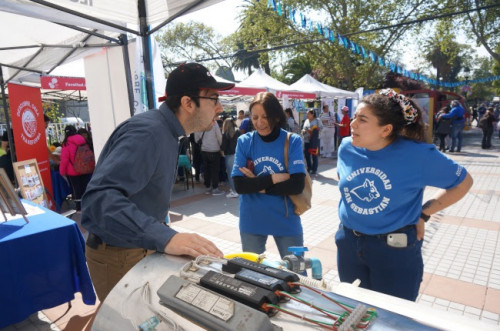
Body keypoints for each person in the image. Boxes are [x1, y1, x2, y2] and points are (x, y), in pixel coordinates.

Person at [81, 63, 232, 301]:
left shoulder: (167, 132)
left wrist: (163, 235)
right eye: (214, 99)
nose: (220, 107)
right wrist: (167, 238)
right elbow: (99, 200)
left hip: (138, 244)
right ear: (188, 103)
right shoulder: (148, 133)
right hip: (118, 252)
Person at [335, 89, 473, 301]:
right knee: (354, 310)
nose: (352, 124)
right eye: (354, 116)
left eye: (362, 119)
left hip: (393, 251)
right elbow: (344, 180)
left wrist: (424, 214)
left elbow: (464, 182)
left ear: (386, 129)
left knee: (393, 317)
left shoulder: (417, 155)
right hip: (349, 245)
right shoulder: (347, 147)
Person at [232, 92, 306, 258]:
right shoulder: (244, 142)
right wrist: (273, 178)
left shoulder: (292, 141)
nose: (259, 123)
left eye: (265, 117)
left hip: (286, 220)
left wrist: (258, 185)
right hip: (252, 220)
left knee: (297, 273)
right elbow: (240, 186)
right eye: (255, 117)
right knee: (253, 273)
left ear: (277, 117)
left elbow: (296, 185)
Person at [59, 125, 91, 211]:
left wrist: (61, 171)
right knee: (84, 186)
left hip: (73, 171)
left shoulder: (66, 143)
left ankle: (79, 208)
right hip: (85, 168)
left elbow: (64, 159)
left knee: (76, 188)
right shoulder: (83, 140)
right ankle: (87, 205)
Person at [195, 122, 224, 195]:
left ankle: (208, 188)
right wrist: (221, 146)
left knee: (206, 170)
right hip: (214, 150)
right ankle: (215, 188)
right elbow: (219, 137)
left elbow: (196, 139)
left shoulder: (199, 124)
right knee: (215, 170)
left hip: (204, 150)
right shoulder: (214, 123)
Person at [221, 117, 240, 198]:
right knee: (237, 173)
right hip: (238, 154)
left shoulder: (226, 134)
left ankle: (234, 191)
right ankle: (237, 189)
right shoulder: (237, 132)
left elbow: (223, 147)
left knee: (230, 174)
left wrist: (221, 151)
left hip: (229, 155)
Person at [302, 109, 322, 174]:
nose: (307, 115)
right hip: (307, 140)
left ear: (313, 114)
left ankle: (314, 169)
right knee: (306, 154)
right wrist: (304, 131)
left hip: (314, 140)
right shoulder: (306, 121)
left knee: (314, 155)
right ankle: (309, 167)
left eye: (308, 114)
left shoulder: (317, 120)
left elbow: (321, 128)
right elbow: (303, 128)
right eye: (307, 114)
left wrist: (314, 129)